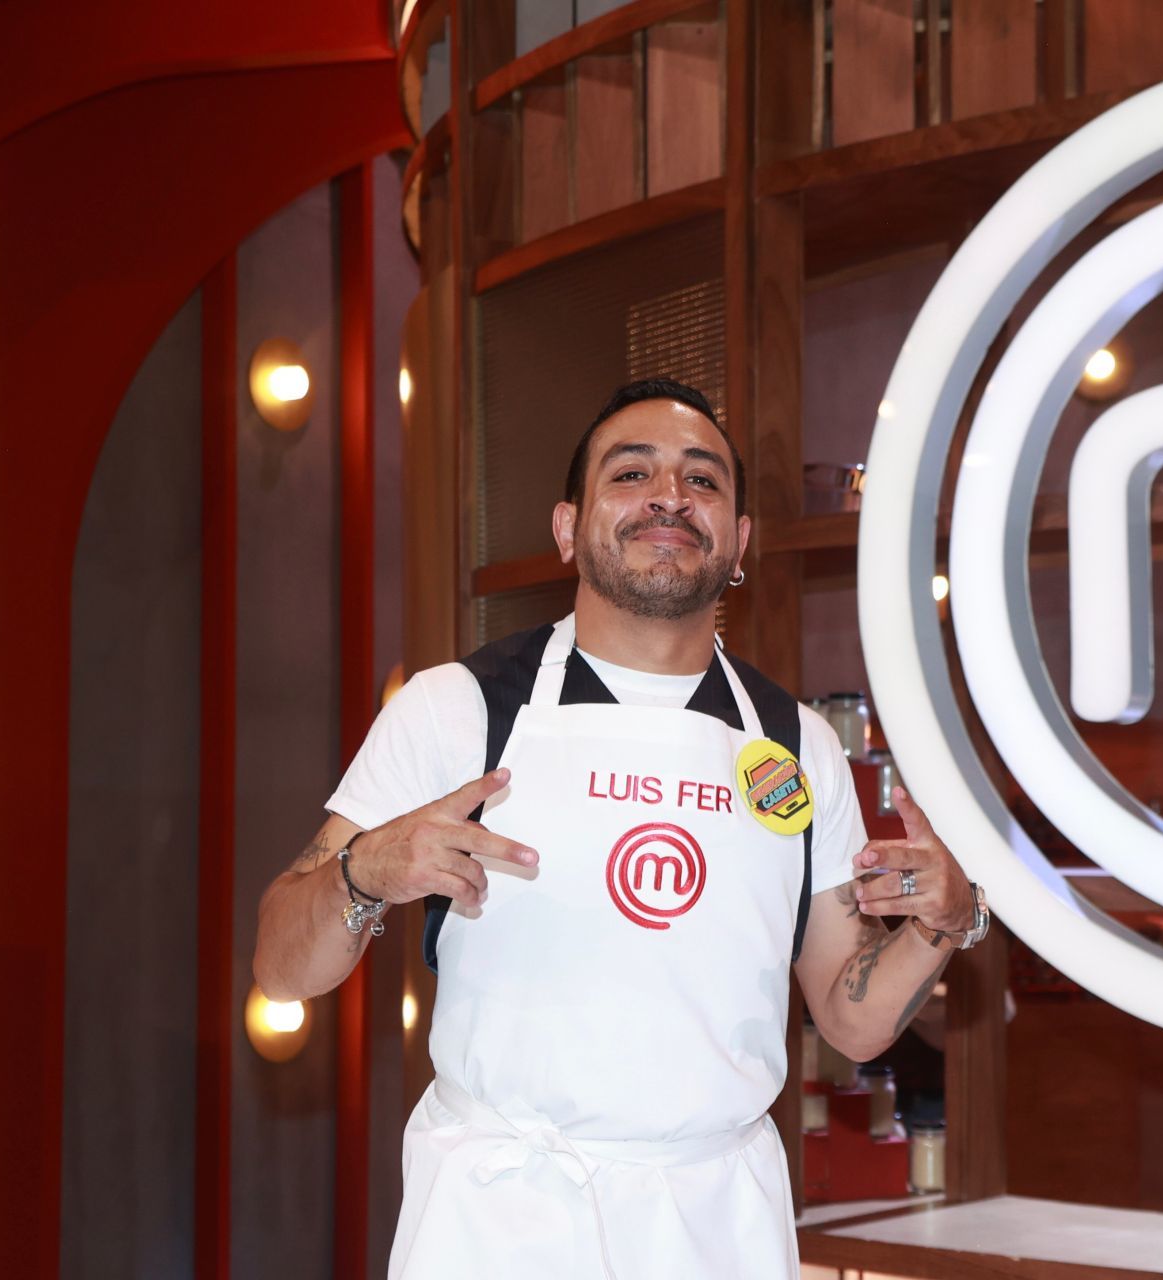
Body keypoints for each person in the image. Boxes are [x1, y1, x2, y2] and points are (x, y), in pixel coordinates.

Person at [252, 377, 990, 1279]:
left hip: (716, 1224)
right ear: (568, 528)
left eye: (702, 479)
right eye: (631, 473)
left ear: (739, 541)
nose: (669, 496)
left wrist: (941, 924)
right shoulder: (457, 709)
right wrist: (363, 870)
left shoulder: (798, 747)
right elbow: (279, 967)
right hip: (501, 1219)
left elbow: (852, 1019)